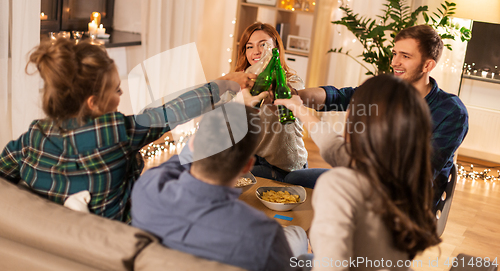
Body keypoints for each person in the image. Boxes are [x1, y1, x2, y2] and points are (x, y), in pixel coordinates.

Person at [0, 38, 259, 223]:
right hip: (115, 242)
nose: (120, 95)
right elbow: (170, 113)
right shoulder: (116, 132)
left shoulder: (30, 139)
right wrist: (222, 84)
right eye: (116, 90)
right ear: (93, 102)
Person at [276, 75, 442, 269]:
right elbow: (334, 148)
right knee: (299, 245)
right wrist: (299, 109)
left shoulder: (339, 185)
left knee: (291, 236)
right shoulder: (405, 177)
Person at [294, 25, 469, 199]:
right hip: (366, 179)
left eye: (405, 56)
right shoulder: (385, 91)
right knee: (292, 179)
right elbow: (338, 97)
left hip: (404, 203)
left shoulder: (451, 112)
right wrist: (297, 95)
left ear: (427, 65)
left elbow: (418, 176)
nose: (394, 62)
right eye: (394, 53)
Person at [131, 102, 308, 271]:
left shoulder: (147, 186)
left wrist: (238, 107)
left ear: (192, 143)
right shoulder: (264, 235)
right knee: (299, 236)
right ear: (247, 166)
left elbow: (179, 162)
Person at [235, 22, 308, 182]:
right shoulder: (240, 82)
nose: (256, 52)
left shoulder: (292, 83)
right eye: (250, 47)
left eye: (263, 45)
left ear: (276, 48)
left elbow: (278, 95)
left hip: (284, 167)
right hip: (253, 160)